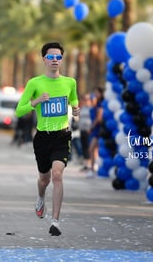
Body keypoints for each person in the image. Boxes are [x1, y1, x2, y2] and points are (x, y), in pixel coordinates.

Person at [15, 42, 80, 236]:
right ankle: (41, 197)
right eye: (51, 57)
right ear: (43, 59)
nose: (55, 61)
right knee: (45, 179)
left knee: (58, 175)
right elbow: (19, 111)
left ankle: (56, 222)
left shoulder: (70, 82)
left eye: (58, 57)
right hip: (43, 137)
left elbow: (74, 99)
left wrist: (76, 108)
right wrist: (36, 102)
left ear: (62, 59)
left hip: (62, 135)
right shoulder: (35, 83)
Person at [87, 87, 104, 178]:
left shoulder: (100, 105)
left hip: (97, 130)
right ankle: (93, 168)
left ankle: (93, 168)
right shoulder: (95, 104)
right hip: (95, 130)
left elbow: (99, 118)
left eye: (97, 93)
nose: (95, 95)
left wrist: (92, 127)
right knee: (94, 150)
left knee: (91, 149)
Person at [78, 93, 93, 172]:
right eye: (84, 99)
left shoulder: (91, 108)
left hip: (89, 130)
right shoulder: (82, 107)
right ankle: (85, 164)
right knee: (83, 147)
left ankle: (90, 164)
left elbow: (93, 119)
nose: (85, 101)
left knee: (88, 147)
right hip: (82, 129)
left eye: (87, 99)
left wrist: (91, 128)